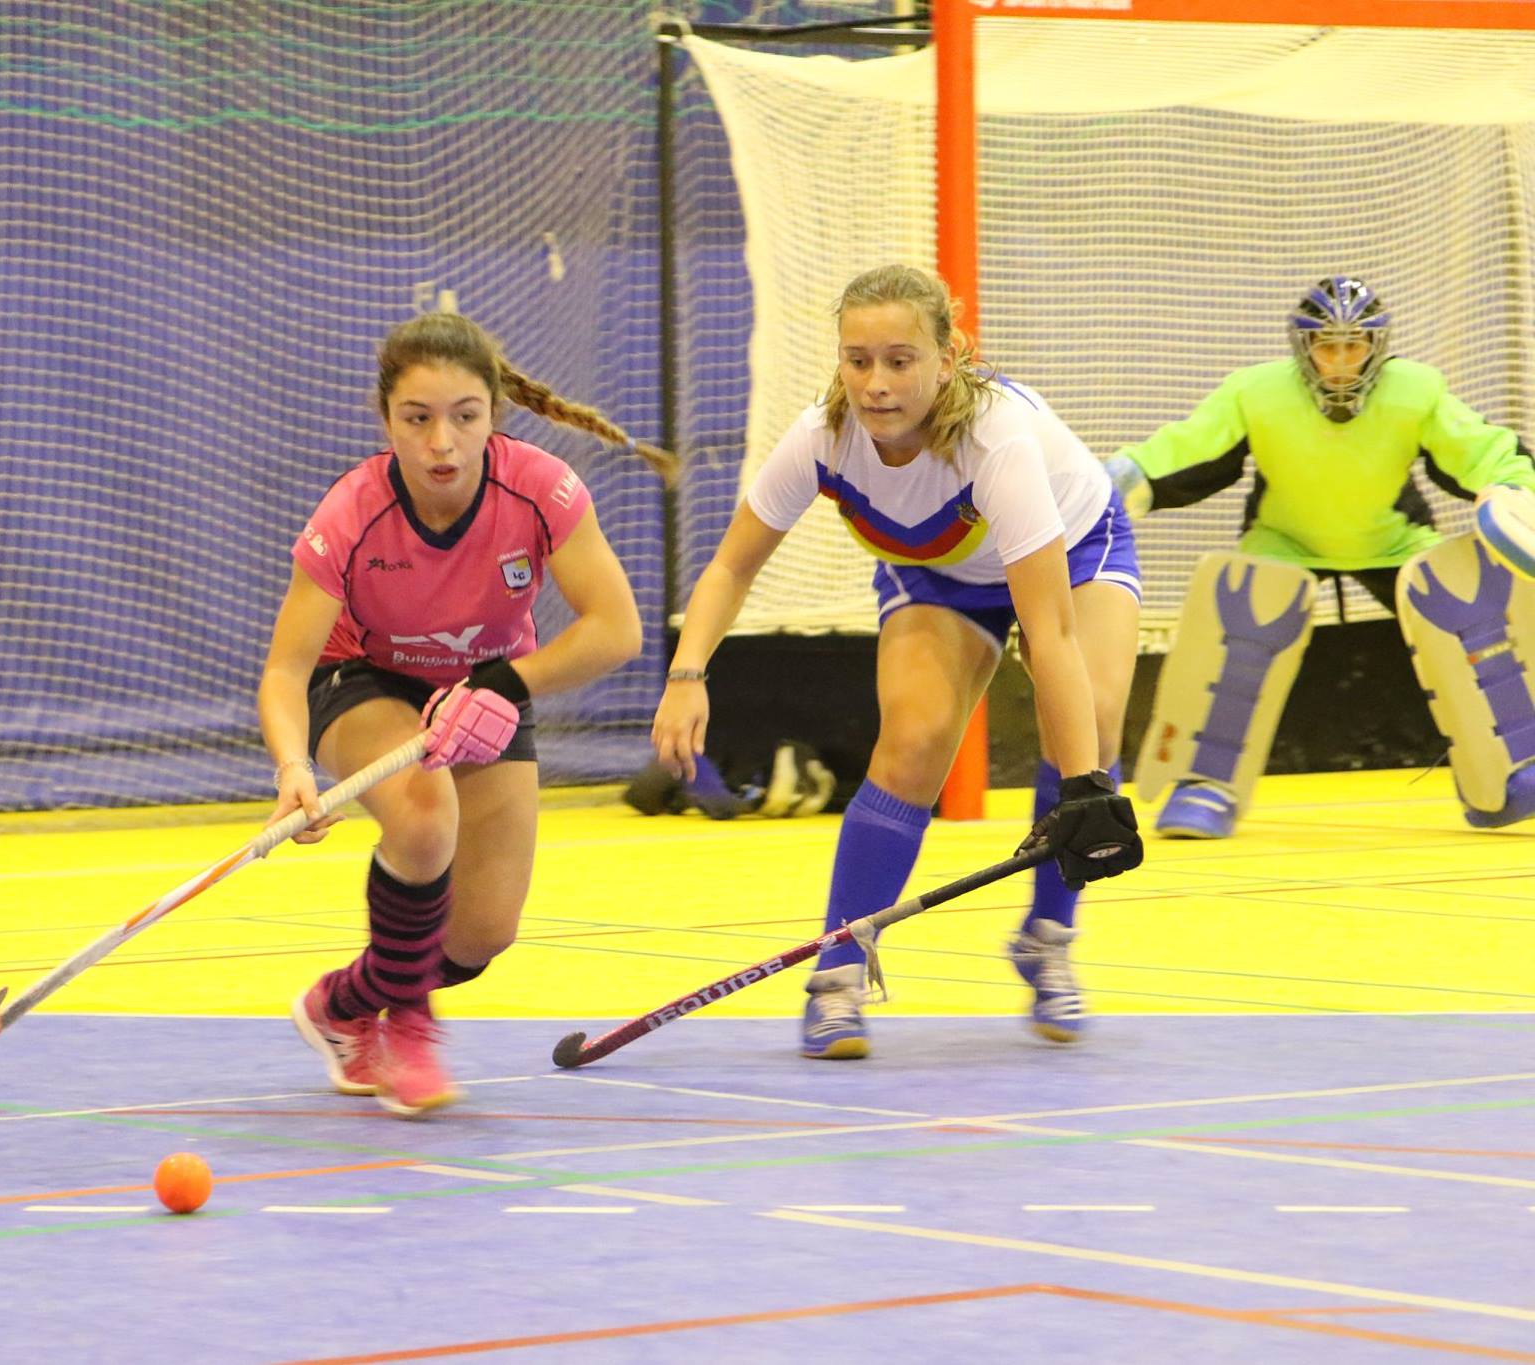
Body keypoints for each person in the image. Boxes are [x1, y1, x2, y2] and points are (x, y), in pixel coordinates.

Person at [652, 263, 1143, 1059]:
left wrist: (1087, 788)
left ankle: (1048, 935)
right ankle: (837, 975)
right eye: (858, 359)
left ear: (947, 359)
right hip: (937, 573)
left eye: (900, 360)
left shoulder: (998, 441)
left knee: (1089, 717)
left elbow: (1047, 633)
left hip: (1075, 551)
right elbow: (730, 567)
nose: (875, 383)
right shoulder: (821, 437)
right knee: (912, 744)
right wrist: (687, 676)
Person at [258, 312, 663, 1117]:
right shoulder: (350, 514)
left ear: (493, 415)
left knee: (480, 931)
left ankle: (342, 1003)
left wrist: (505, 685)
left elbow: (617, 630)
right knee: (423, 816)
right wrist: (293, 769)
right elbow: (285, 668)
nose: (442, 441)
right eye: (418, 419)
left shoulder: (542, 490)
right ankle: (408, 1024)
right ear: (387, 423)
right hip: (364, 678)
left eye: (464, 417)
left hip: (487, 686)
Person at [1108, 276, 1535, 837]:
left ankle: (1515, 769)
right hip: (1283, 539)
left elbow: (1481, 449)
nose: (1339, 360)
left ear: (1376, 346)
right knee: (1245, 614)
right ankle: (1205, 784)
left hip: (1394, 539)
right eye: (1326, 346)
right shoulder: (1256, 391)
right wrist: (1117, 482)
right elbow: (1188, 448)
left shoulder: (1417, 390)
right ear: (1303, 347)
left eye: (1353, 345)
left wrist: (1511, 487)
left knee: (1466, 604)